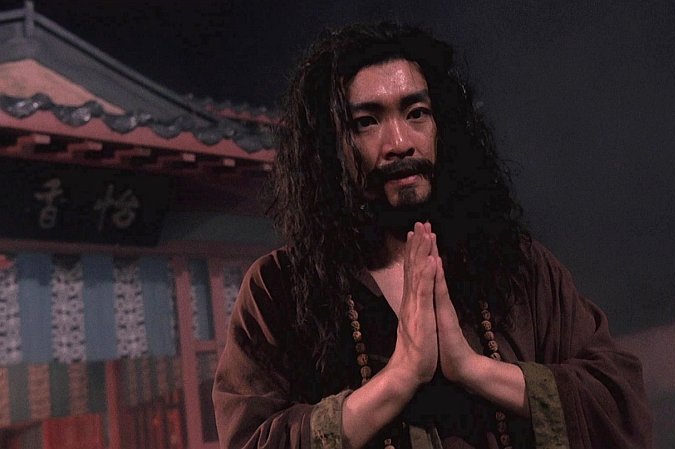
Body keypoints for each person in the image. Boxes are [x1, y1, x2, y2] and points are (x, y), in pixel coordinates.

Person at [213, 22, 652, 449]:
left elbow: (617, 402)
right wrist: (400, 377)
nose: (399, 142)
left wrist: (472, 368)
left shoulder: (519, 267)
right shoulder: (278, 290)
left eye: (416, 113)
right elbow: (254, 439)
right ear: (331, 146)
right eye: (366, 122)